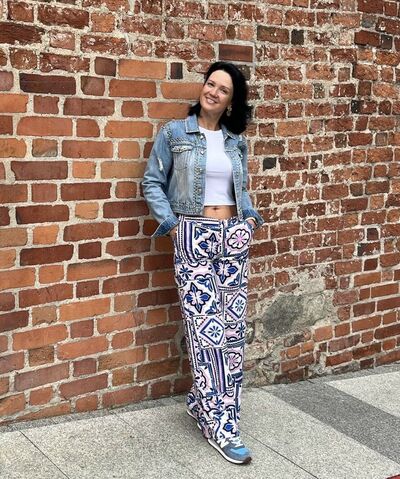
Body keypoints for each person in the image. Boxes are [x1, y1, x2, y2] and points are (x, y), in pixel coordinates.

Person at [142, 61, 264, 465]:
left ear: (231, 101)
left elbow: (241, 189)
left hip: (233, 238)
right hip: (193, 234)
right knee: (204, 332)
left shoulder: (234, 142)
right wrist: (173, 227)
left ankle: (203, 403)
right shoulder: (175, 134)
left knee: (231, 332)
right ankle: (221, 426)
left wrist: (249, 220)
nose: (213, 92)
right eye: (210, 84)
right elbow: (152, 181)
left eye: (223, 89)